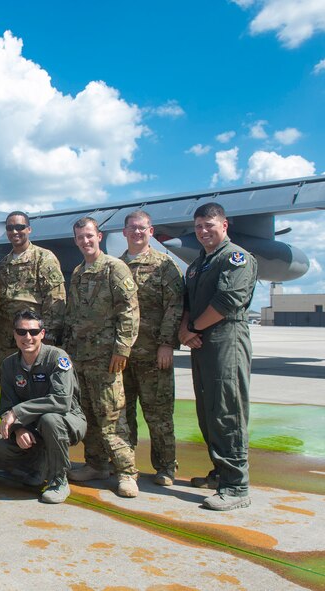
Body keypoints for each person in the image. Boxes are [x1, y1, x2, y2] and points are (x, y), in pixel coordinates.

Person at [179, 203, 257, 511]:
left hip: (227, 341)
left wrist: (193, 328)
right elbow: (187, 300)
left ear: (224, 225)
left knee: (227, 410)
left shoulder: (235, 258)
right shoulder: (199, 264)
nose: (203, 231)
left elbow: (228, 300)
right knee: (208, 410)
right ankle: (221, 472)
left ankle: (236, 485)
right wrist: (186, 330)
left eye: (209, 225)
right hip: (202, 342)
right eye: (198, 226)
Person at [63, 217, 140, 498]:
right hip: (81, 357)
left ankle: (127, 472)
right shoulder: (79, 271)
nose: (85, 241)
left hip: (106, 357)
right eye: (80, 237)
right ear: (76, 241)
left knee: (111, 415)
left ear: (99, 236)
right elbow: (72, 315)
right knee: (90, 416)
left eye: (89, 236)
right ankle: (96, 465)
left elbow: (129, 311)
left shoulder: (114, 268)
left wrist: (122, 349)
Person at [0, 310, 86, 504]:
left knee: (49, 419)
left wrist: (18, 413)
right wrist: (19, 429)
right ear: (14, 334)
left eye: (34, 332)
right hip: (32, 425)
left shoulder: (57, 358)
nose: (28, 337)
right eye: (22, 332)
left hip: (67, 419)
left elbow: (61, 401)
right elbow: (7, 405)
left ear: (42, 334)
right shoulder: (9, 365)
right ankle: (40, 465)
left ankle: (59, 480)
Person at [119, 210, 183, 486]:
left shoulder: (164, 266)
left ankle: (166, 468)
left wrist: (167, 343)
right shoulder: (115, 265)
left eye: (142, 228)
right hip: (121, 357)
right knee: (122, 415)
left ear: (151, 231)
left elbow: (175, 306)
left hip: (154, 355)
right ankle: (125, 465)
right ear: (124, 232)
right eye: (132, 228)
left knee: (159, 416)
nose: (137, 232)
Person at [0, 211, 66, 371]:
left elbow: (56, 299)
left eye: (19, 227)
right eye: (10, 228)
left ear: (28, 229)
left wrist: (49, 336)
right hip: (7, 343)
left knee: (37, 387)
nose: (14, 231)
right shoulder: (3, 265)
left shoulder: (43, 258)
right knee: (10, 389)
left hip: (34, 340)